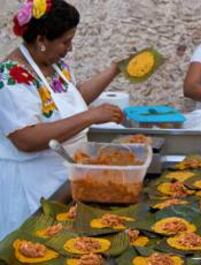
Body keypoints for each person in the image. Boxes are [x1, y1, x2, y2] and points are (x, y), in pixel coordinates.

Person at [0, 0, 123, 240]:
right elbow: (26, 138)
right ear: (41, 40)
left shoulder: (54, 67)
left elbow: (71, 102)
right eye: (66, 41)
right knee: (29, 247)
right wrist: (90, 117)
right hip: (31, 187)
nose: (71, 47)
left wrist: (114, 70)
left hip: (62, 182)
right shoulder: (11, 76)